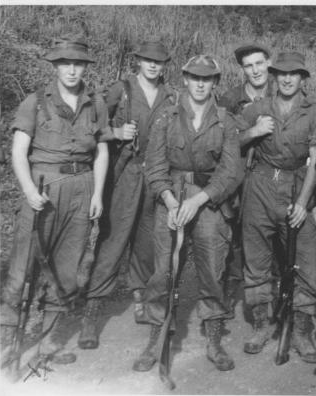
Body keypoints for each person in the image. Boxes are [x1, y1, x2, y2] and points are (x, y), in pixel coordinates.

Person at [0, 37, 111, 367]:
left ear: (85, 67)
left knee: (66, 266)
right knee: (25, 263)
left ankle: (47, 340)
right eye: (66, 63)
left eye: (78, 63)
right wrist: (29, 190)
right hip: (44, 186)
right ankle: (7, 340)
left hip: (82, 185)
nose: (72, 69)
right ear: (55, 67)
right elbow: (18, 151)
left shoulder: (96, 103)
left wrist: (97, 194)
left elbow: (102, 151)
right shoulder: (35, 102)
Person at [136, 54, 243, 372]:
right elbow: (154, 166)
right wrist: (170, 201)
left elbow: (229, 171)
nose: (200, 83)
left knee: (212, 272)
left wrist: (198, 201)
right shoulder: (166, 117)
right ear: (185, 79)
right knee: (162, 273)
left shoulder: (226, 121)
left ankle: (214, 340)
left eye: (207, 78)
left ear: (214, 83)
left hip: (209, 203)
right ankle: (156, 339)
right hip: (171, 200)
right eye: (195, 77)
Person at [78, 39, 178, 349]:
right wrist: (116, 133)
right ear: (138, 61)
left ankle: (141, 302)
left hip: (156, 176)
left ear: (164, 66)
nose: (152, 65)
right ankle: (91, 316)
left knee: (147, 243)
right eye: (147, 60)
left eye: (158, 61)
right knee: (112, 242)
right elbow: (92, 127)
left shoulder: (171, 96)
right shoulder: (119, 89)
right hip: (124, 175)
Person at [238, 52, 316, 365]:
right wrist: (254, 131)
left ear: (303, 78)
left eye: (294, 74)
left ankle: (302, 331)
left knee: (304, 260)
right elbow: (231, 141)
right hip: (260, 185)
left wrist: (303, 202)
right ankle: (262, 325)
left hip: (295, 185)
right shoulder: (257, 109)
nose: (288, 79)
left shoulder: (315, 112)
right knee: (257, 257)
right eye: (282, 74)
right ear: (273, 76)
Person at [217, 43, 275, 311]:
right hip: (240, 177)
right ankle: (230, 289)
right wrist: (254, 132)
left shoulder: (282, 92)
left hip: (273, 178)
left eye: (259, 63)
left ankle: (272, 294)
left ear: (268, 63)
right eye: (249, 65)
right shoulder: (230, 100)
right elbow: (220, 142)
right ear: (242, 69)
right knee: (235, 236)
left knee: (274, 235)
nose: (255, 70)